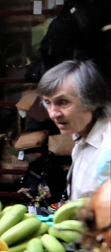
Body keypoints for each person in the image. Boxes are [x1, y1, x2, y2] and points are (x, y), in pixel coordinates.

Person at [39, 58, 111, 201]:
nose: (53, 113)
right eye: (48, 103)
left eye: (62, 102)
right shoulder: (82, 139)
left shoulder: (107, 145)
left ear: (91, 101)